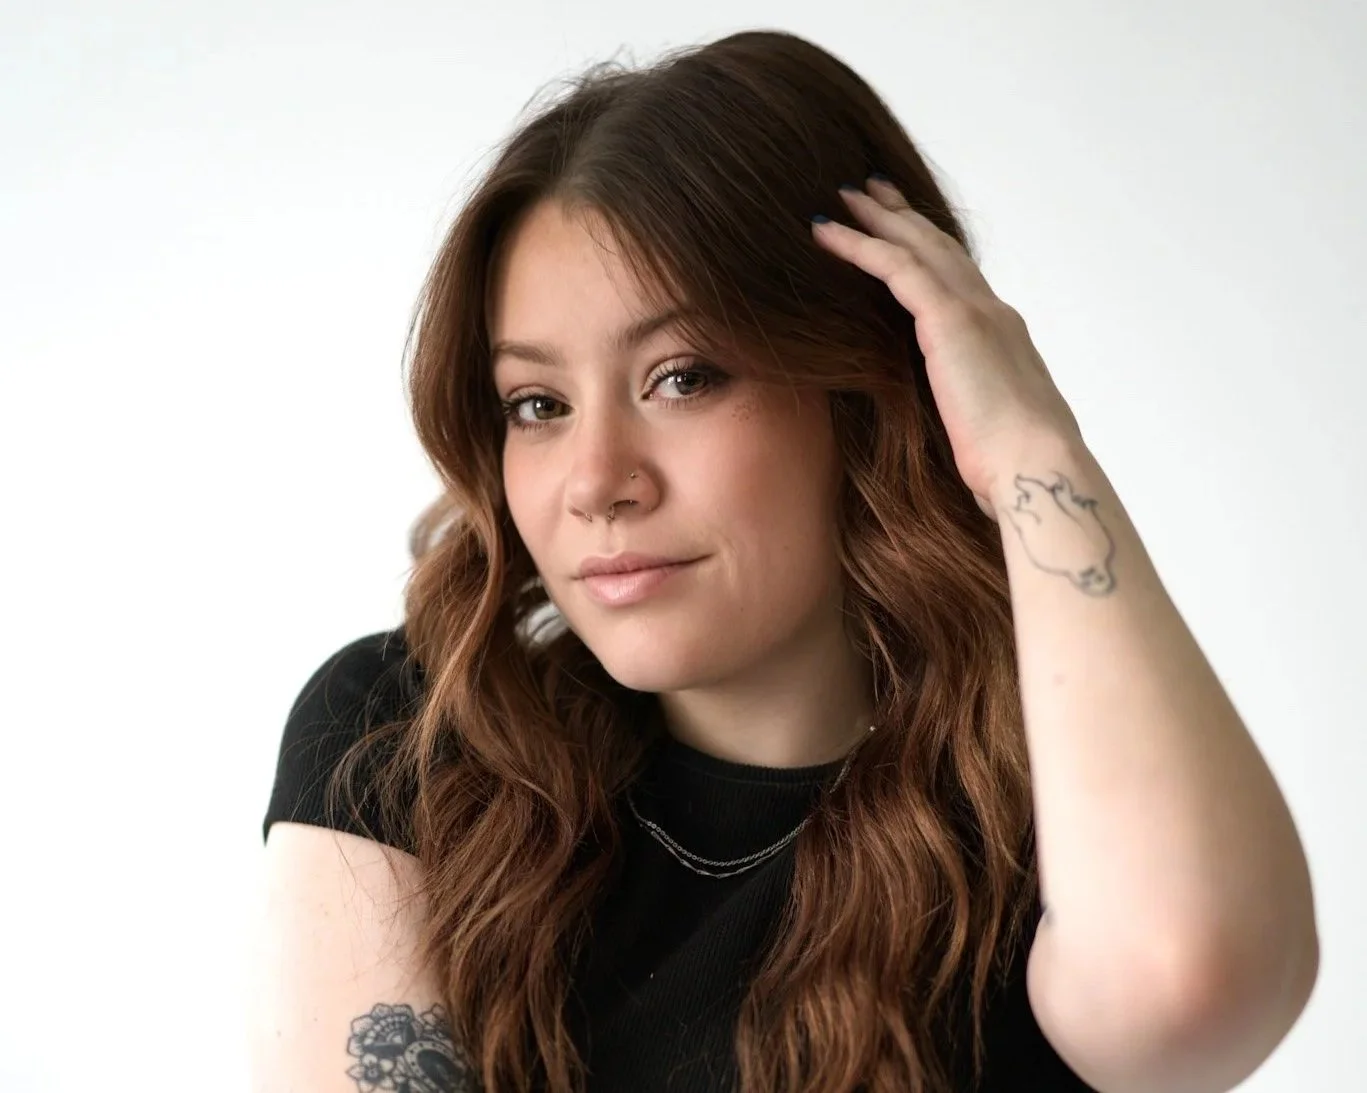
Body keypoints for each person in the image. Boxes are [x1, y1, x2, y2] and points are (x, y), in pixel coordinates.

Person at [251, 28, 1318, 1093]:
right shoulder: (408, 740)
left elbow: (1187, 985)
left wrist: (1030, 446)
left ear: (868, 387)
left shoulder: (1053, 833)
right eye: (537, 403)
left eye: (683, 377)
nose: (595, 480)